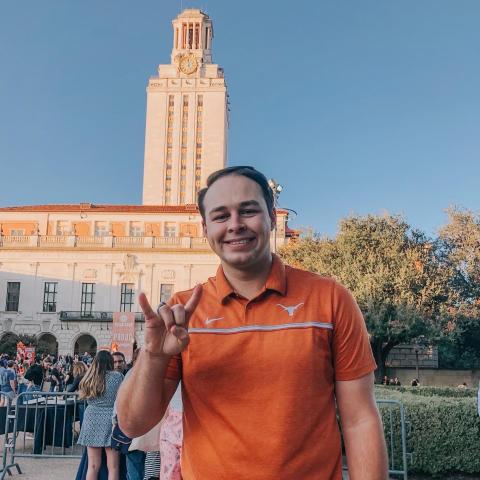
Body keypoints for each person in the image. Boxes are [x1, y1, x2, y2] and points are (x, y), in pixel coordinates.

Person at [117, 166, 388, 479]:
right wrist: (153, 355)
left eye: (247, 211)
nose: (235, 225)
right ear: (205, 229)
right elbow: (132, 424)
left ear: (271, 217)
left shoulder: (331, 299)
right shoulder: (181, 312)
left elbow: (360, 420)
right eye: (220, 216)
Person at [78, 350, 124, 480]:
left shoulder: (88, 377)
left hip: (92, 417)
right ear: (110, 362)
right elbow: (121, 398)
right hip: (111, 418)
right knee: (113, 467)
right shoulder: (117, 377)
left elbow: (83, 396)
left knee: (92, 466)